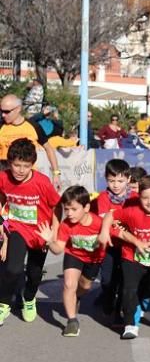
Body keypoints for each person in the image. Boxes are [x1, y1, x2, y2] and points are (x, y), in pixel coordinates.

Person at [98, 175, 150, 340]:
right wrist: (104, 232)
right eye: (145, 198)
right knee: (130, 289)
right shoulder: (132, 211)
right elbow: (110, 215)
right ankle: (130, 324)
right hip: (132, 257)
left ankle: (148, 310)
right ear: (139, 197)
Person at [0, 138, 62, 325]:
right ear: (9, 163)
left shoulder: (42, 182)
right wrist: (2, 224)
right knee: (12, 269)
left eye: (25, 166)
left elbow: (57, 207)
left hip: (40, 233)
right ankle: (3, 304)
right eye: (16, 165)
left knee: (34, 274)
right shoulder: (3, 177)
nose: (20, 170)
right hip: (17, 229)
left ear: (32, 165)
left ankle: (29, 298)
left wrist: (54, 233)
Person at [35, 186, 104, 337]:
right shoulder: (66, 224)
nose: (69, 213)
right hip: (74, 255)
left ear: (86, 207)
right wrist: (49, 241)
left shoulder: (99, 223)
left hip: (93, 259)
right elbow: (58, 249)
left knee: (85, 286)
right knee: (68, 285)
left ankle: (76, 297)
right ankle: (72, 321)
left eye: (74, 209)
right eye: (66, 209)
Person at [92, 159, 135, 324]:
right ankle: (107, 298)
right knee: (107, 280)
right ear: (106, 179)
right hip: (109, 245)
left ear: (128, 179)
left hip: (128, 247)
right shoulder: (103, 197)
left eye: (120, 181)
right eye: (111, 181)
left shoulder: (135, 198)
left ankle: (119, 311)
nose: (116, 185)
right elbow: (105, 221)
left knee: (124, 280)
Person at [0, 94, 61, 189]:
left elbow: (48, 148)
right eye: (1, 111)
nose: (3, 115)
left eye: (6, 111)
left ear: (18, 109)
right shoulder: (1, 127)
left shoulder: (33, 126)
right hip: (4, 178)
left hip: (28, 180)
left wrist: (56, 173)